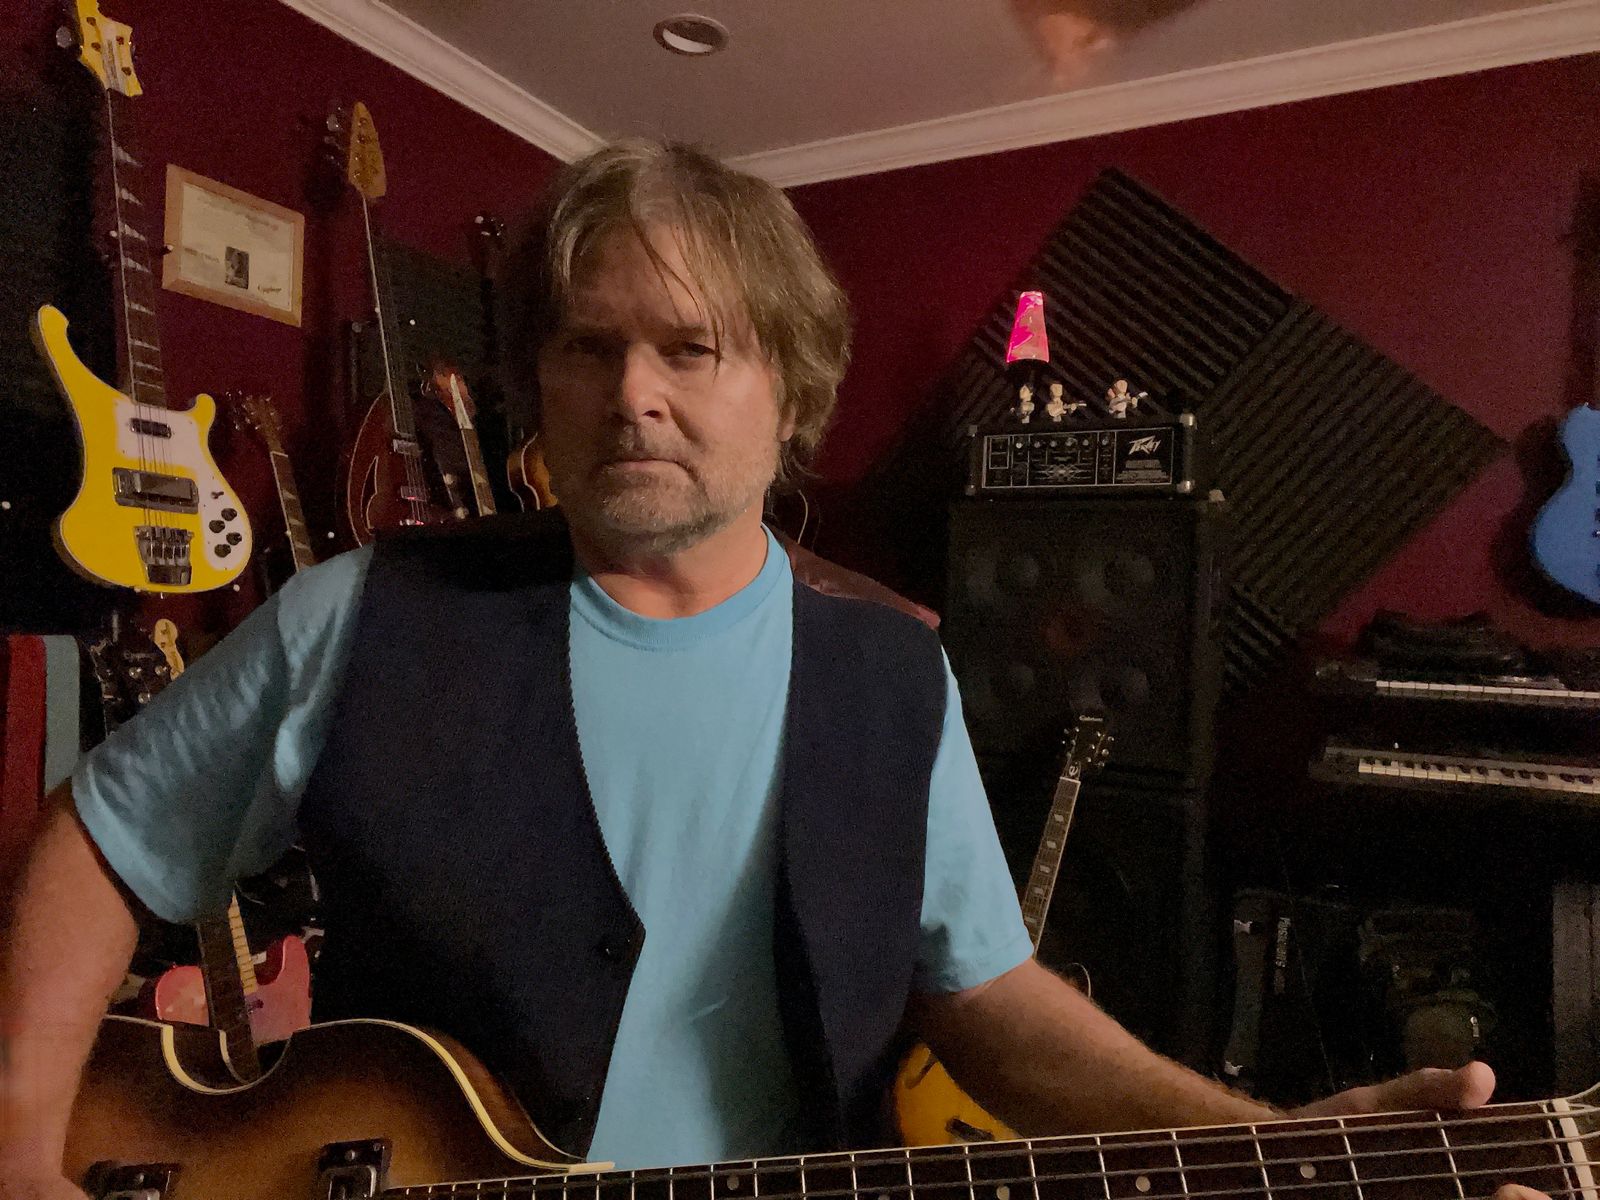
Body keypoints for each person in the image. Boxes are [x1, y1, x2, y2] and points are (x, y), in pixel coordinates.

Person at [0, 140, 1549, 1200]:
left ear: (791, 394)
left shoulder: (894, 679)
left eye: (691, 348)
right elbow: (100, 837)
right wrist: (14, 1142)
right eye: (587, 347)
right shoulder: (363, 616)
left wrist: (1269, 1139)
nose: (633, 394)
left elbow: (987, 996)